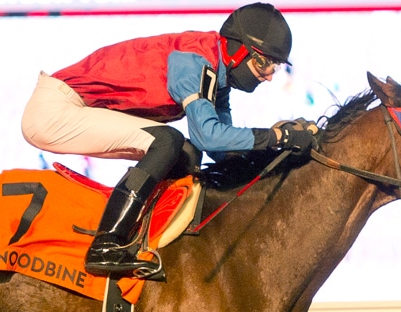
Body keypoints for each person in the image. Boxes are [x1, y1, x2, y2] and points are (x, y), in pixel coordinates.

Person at [21, 3, 316, 278]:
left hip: (70, 108)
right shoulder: (193, 61)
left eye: (274, 68)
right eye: (264, 64)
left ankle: (154, 242)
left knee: (185, 152)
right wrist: (278, 135)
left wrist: (278, 148)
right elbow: (208, 135)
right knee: (168, 141)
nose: (267, 77)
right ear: (238, 51)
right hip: (54, 111)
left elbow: (220, 150)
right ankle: (106, 244)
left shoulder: (217, 73)